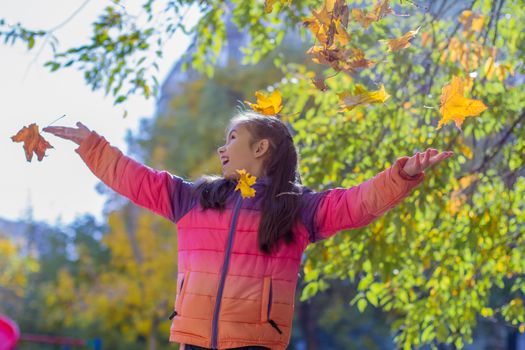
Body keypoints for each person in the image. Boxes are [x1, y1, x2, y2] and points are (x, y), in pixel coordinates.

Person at [42, 110, 453, 350]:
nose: (223, 147)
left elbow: (356, 203)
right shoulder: (194, 199)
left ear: (261, 149)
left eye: (232, 138)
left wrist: (402, 175)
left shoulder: (297, 209)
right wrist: (93, 146)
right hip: (195, 341)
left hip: (255, 344)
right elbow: (136, 178)